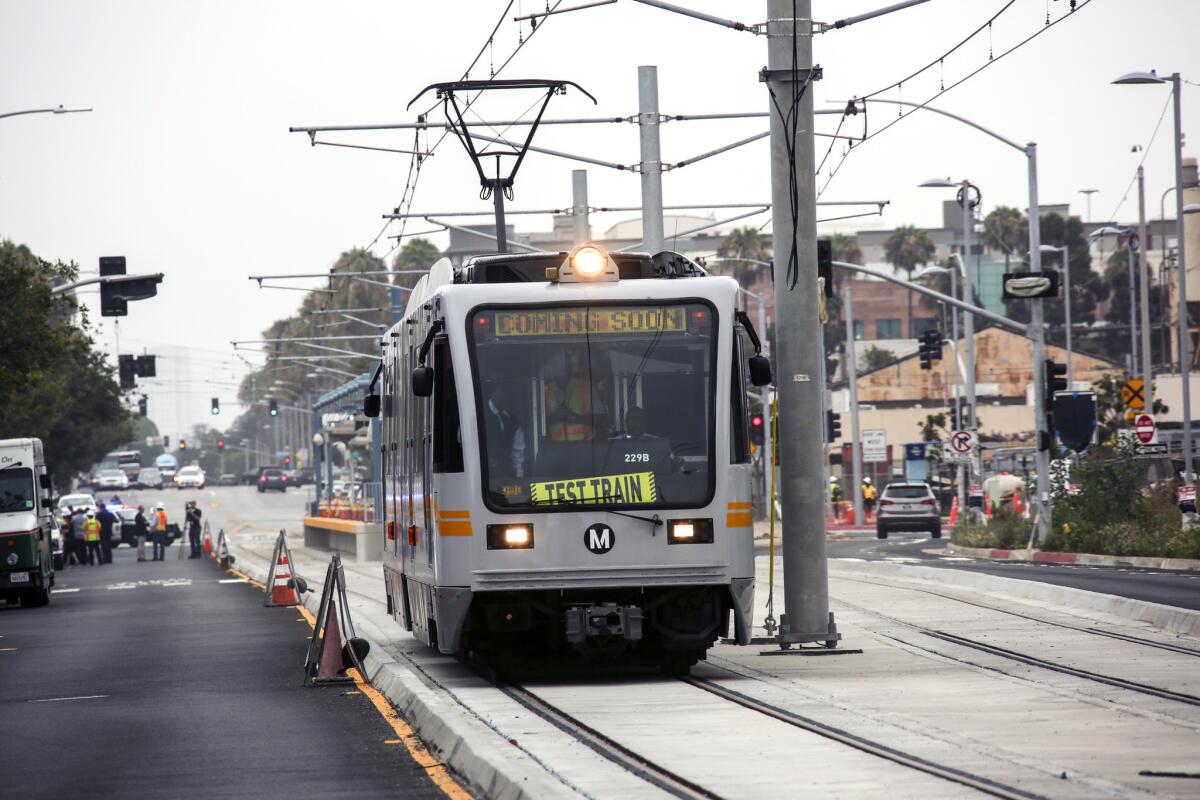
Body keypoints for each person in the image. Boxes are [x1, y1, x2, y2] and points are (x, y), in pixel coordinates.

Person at [545, 346, 597, 442]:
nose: (560, 365)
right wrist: (554, 417)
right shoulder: (545, 390)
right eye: (555, 362)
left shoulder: (586, 386)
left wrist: (577, 418)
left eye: (563, 362)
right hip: (555, 449)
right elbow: (537, 423)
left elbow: (602, 419)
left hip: (586, 447)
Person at [484, 383, 526, 478]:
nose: (502, 399)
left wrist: (519, 476)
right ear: (492, 394)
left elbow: (518, 451)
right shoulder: (480, 414)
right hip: (484, 472)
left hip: (506, 472)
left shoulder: (512, 419)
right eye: (499, 395)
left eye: (505, 396)